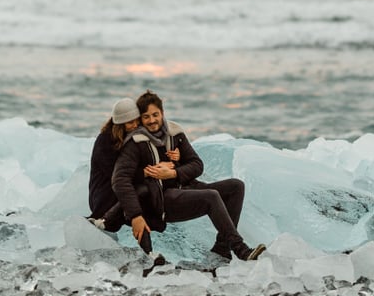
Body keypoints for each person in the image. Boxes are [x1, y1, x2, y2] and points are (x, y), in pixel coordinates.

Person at [112, 90, 266, 261]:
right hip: (163, 199)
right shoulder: (135, 143)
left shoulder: (175, 134)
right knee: (211, 196)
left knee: (236, 186)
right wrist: (135, 215)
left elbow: (197, 165)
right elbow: (120, 180)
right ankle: (240, 249)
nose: (152, 120)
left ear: (162, 113)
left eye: (155, 114)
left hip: (187, 187)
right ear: (141, 118)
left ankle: (222, 249)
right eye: (146, 117)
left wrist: (173, 172)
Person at [87, 97, 173, 261]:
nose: (134, 125)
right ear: (119, 124)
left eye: (136, 121)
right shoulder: (105, 141)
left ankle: (149, 253)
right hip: (105, 195)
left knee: (144, 195)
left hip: (124, 190)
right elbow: (117, 176)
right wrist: (146, 173)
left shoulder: (133, 137)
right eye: (129, 123)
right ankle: (148, 253)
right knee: (139, 194)